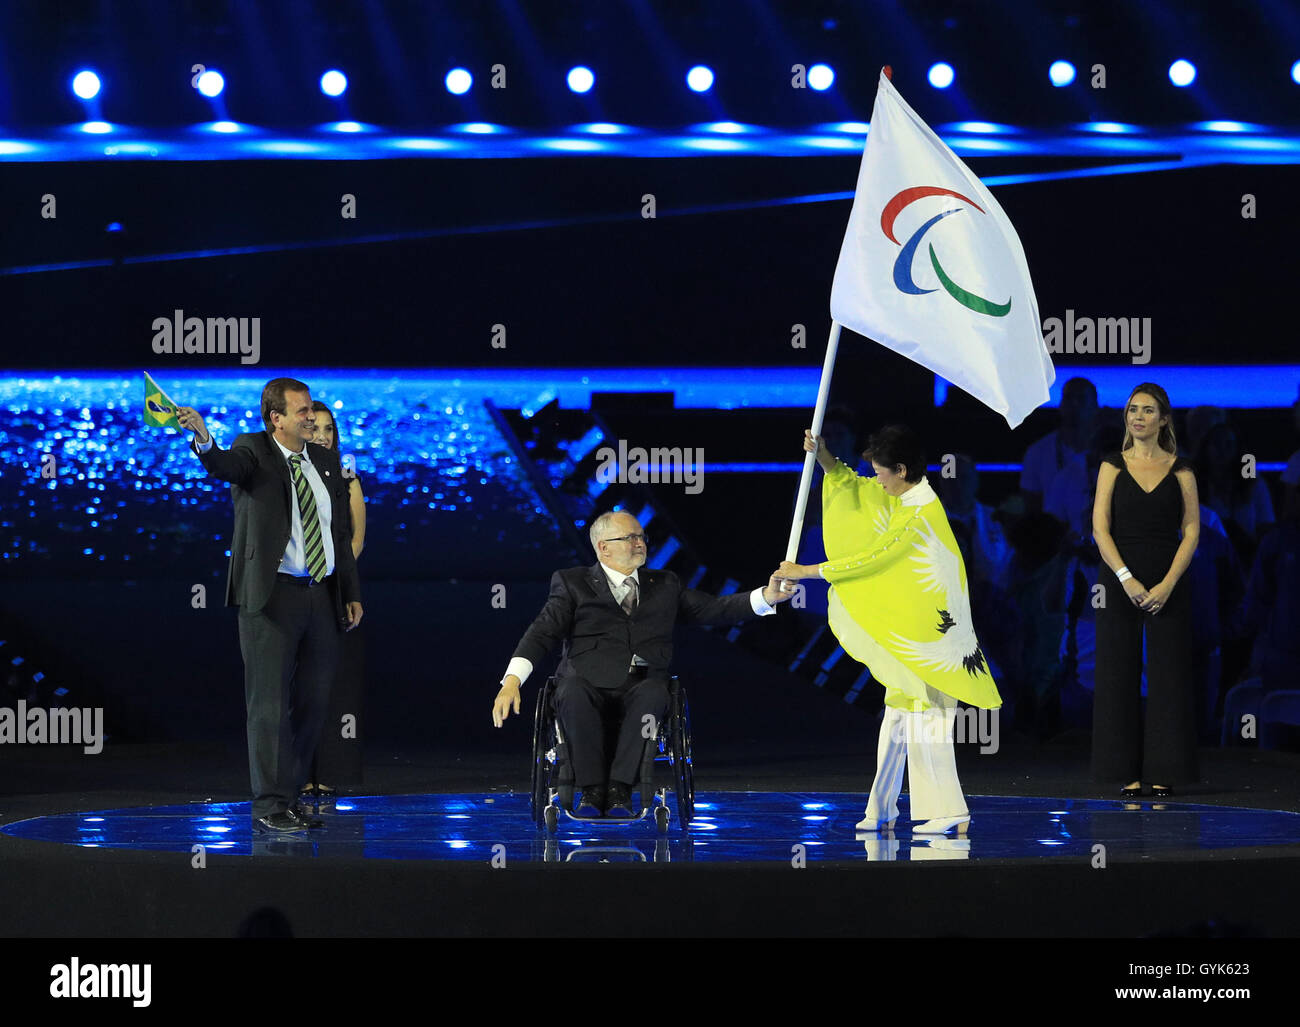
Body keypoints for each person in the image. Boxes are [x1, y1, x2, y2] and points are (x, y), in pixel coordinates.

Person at [492, 510, 792, 817]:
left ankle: (620, 788)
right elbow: (542, 632)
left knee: (654, 694)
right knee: (571, 691)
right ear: (603, 547)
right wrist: (512, 681)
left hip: (643, 681)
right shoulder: (572, 583)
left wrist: (766, 596)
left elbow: (713, 609)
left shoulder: (664, 584)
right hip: (586, 680)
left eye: (641, 537)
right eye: (629, 538)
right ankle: (592, 788)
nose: (639, 543)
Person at [778, 426, 1001, 836]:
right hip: (912, 633)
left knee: (926, 717)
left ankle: (949, 810)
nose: (876, 479)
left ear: (901, 470)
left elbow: (874, 559)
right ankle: (881, 809)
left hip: (933, 638)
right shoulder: (900, 494)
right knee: (898, 717)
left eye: (881, 472)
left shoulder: (920, 513)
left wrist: (806, 572)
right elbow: (853, 488)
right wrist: (824, 455)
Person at [176, 379, 363, 832]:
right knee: (268, 707)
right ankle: (269, 805)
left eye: (312, 412)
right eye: (301, 412)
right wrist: (203, 438)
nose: (311, 419)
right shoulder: (253, 450)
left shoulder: (324, 460)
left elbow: (338, 533)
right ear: (276, 418)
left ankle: (291, 793)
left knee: (314, 702)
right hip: (271, 595)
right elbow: (222, 465)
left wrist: (351, 592)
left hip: (320, 595)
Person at [1091, 383, 1199, 796]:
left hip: (1168, 577)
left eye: (1148, 410)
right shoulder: (1111, 465)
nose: (1138, 416)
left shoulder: (1182, 470)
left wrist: (1168, 584)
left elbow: (1191, 531)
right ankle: (1125, 772)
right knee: (1117, 671)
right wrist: (1126, 579)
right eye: (1133, 409)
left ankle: (1164, 770)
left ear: (1164, 419)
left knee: (1168, 673)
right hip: (1120, 577)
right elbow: (1100, 528)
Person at [303, 401, 366, 798]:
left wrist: (336, 576)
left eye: (329, 429)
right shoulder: (295, 474)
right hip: (298, 587)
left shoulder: (348, 477)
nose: (323, 435)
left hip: (337, 588)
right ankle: (297, 771)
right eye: (316, 428)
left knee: (335, 684)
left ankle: (329, 771)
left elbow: (356, 540)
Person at [1020, 377, 1098, 516]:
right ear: (1060, 405)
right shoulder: (1038, 452)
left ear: (1095, 406)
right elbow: (1032, 511)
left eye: (1081, 398)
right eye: (1068, 398)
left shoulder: (1114, 451)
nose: (1074, 404)